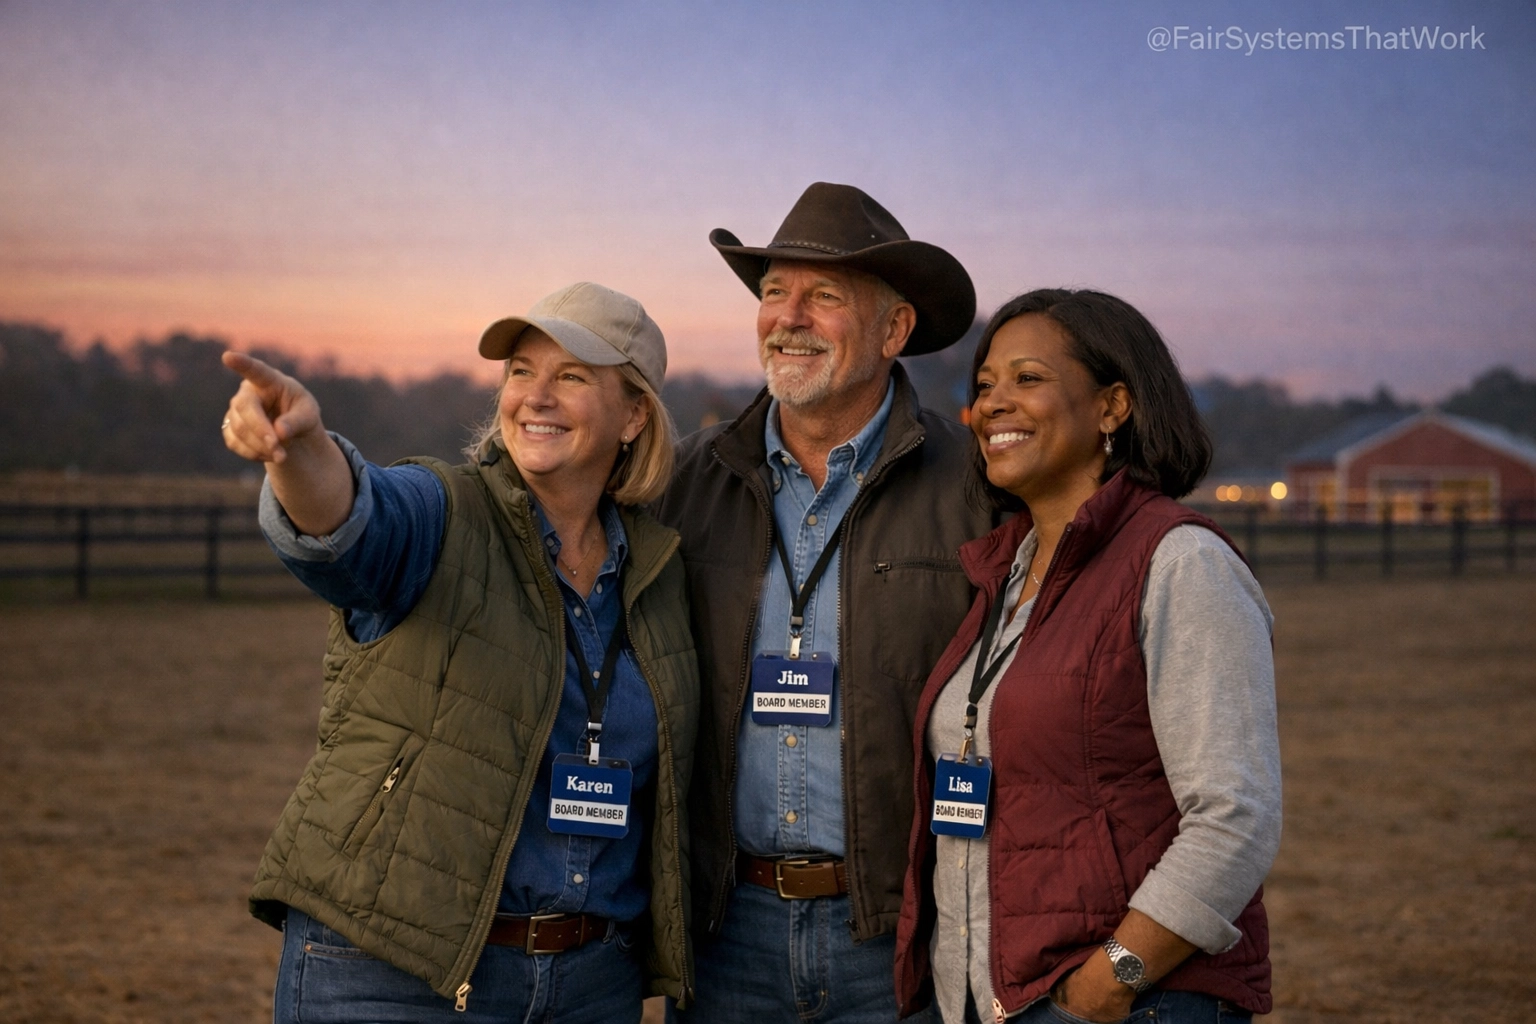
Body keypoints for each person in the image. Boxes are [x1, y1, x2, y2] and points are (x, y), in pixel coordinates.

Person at [221, 282, 698, 1023]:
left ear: (634, 414)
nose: (535, 396)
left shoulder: (660, 573)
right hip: (391, 971)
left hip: (590, 985)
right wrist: (300, 452)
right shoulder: (444, 510)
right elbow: (354, 525)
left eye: (571, 376)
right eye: (519, 371)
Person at [657, 182, 1002, 1022]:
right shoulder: (683, 482)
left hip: (896, 935)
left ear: (895, 330)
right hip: (724, 933)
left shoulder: (978, 488)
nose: (789, 316)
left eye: (825, 296)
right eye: (774, 290)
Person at [893, 289, 1282, 1023]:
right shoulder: (1000, 575)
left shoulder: (1180, 563)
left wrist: (1114, 978)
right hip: (992, 997)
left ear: (1112, 407)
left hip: (1126, 1003)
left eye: (1028, 379)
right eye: (983, 387)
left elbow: (1236, 815)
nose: (992, 405)